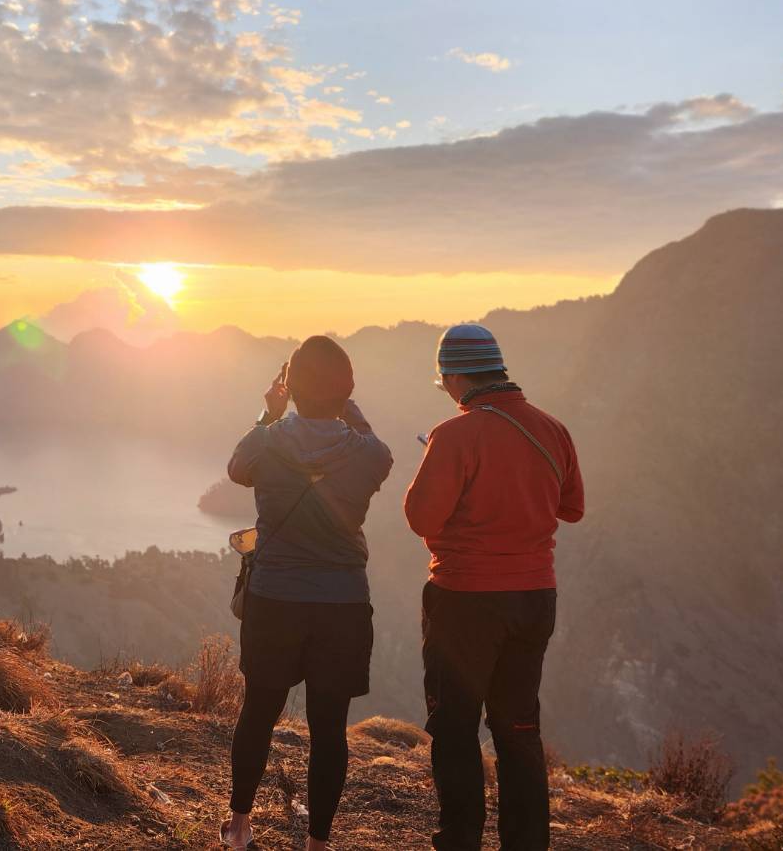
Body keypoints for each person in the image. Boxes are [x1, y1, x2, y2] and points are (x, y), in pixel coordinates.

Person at [404, 324, 585, 851]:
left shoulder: (455, 434)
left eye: (445, 383)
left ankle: (460, 841)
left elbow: (421, 517)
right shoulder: (553, 429)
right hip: (534, 597)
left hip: (465, 600)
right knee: (518, 728)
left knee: (456, 728)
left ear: (455, 376)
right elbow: (570, 509)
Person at [221, 335, 394, 850]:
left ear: (290, 390)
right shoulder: (368, 454)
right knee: (329, 728)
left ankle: (240, 826)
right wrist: (349, 404)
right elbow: (374, 448)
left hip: (275, 599)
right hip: (341, 605)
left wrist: (270, 411)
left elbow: (236, 469)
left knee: (259, 711)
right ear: (347, 390)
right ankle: (318, 843)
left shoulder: (267, 441)